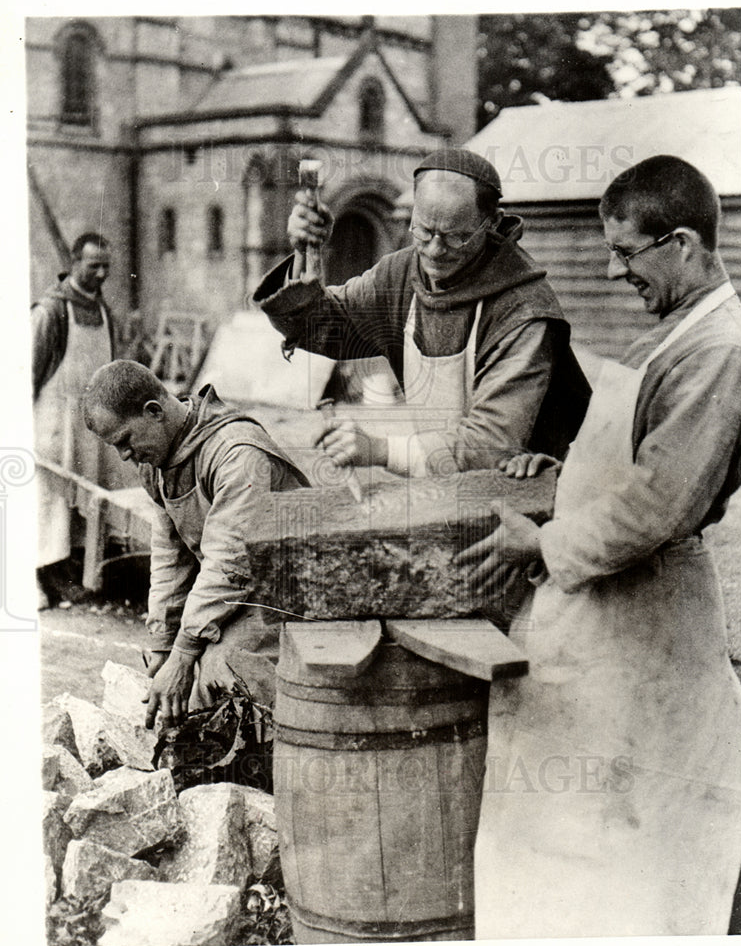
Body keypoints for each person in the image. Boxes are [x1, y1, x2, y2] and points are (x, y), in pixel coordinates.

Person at [457, 155, 741, 938]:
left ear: (682, 243)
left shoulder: (718, 349)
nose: (617, 272)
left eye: (627, 253)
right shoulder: (676, 333)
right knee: (565, 845)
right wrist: (564, 474)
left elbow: (661, 503)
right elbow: (631, 467)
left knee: (630, 854)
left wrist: (542, 543)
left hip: (647, 631)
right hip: (605, 624)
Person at [253, 148, 590, 478]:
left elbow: (491, 445)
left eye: (456, 237)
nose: (435, 251)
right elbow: (321, 327)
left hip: (530, 486)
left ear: (492, 223)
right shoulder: (401, 275)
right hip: (447, 480)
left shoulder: (522, 309)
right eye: (424, 231)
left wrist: (381, 450)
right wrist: (306, 253)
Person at [83, 360, 309, 729]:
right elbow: (171, 556)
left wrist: (185, 653)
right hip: (241, 589)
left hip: (293, 592)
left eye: (125, 440)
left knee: (221, 671)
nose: (124, 455)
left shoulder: (236, 452)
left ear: (154, 411)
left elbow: (231, 562)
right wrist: (163, 643)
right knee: (178, 673)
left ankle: (269, 768)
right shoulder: (157, 461)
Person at [32, 233, 115, 608]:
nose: (101, 273)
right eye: (92, 265)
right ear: (74, 261)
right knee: (50, 499)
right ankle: (47, 570)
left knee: (86, 496)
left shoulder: (103, 312)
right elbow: (25, 376)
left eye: (105, 266)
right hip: (52, 420)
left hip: (90, 424)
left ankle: (77, 568)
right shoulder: (50, 312)